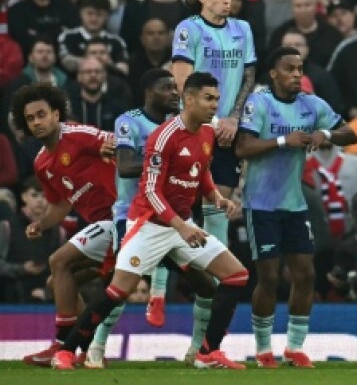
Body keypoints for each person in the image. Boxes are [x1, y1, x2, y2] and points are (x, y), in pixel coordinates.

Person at [50, 72, 248, 370]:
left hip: (181, 224)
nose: (214, 105)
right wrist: (181, 226)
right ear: (189, 99)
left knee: (236, 276)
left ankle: (209, 351)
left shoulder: (206, 133)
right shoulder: (164, 136)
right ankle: (67, 351)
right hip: (149, 225)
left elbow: (200, 169)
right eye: (208, 99)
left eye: (217, 100)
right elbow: (150, 191)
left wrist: (216, 197)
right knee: (117, 292)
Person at [236, 46, 355, 368]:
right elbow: (243, 146)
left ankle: (294, 347)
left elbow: (351, 134)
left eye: (300, 69)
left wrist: (325, 133)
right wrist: (281, 142)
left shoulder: (311, 105)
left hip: (294, 204)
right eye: (289, 69)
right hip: (260, 204)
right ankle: (263, 350)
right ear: (273, 73)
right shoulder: (259, 104)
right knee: (270, 278)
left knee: (306, 275)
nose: (297, 75)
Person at [12, 84, 117, 368]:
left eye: (41, 115)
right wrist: (41, 223)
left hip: (121, 218)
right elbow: (60, 205)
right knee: (57, 282)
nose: (36, 122)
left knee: (58, 261)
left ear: (56, 114)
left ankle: (61, 343)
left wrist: (115, 146)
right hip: (103, 228)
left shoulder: (78, 135)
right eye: (30, 119)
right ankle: (87, 347)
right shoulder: (41, 163)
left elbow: (117, 141)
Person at [170, 0, 257, 308]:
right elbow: (183, 83)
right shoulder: (188, 29)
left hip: (227, 133)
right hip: (193, 131)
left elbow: (248, 75)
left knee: (217, 215)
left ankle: (204, 339)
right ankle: (161, 288)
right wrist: (213, 120)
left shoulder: (242, 29)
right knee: (173, 214)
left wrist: (233, 117)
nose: (227, 0)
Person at [86, 69, 180, 365]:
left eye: (176, 88)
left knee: (209, 275)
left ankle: (162, 301)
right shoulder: (129, 121)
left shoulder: (178, 123)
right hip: (130, 213)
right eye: (167, 88)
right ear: (149, 92)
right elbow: (126, 166)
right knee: (122, 286)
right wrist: (168, 162)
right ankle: (95, 347)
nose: (174, 94)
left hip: (168, 211)